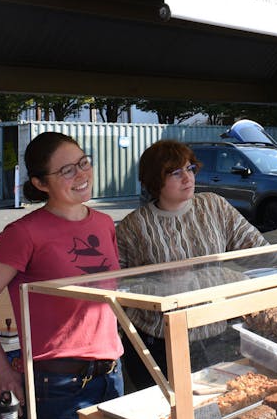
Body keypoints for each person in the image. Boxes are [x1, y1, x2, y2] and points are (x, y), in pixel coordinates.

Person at [0, 132, 123, 419]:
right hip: (60, 385)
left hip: (112, 372)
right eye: (67, 170)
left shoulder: (104, 223)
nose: (81, 174)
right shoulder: (24, 233)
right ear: (40, 183)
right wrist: (3, 372)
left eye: (83, 163)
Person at [115, 140, 268, 390]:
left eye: (190, 168)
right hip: (158, 341)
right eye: (175, 172)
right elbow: (120, 285)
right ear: (155, 180)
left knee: (217, 407)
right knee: (168, 417)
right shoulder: (135, 225)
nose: (187, 178)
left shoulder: (213, 206)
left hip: (216, 334)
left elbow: (258, 249)